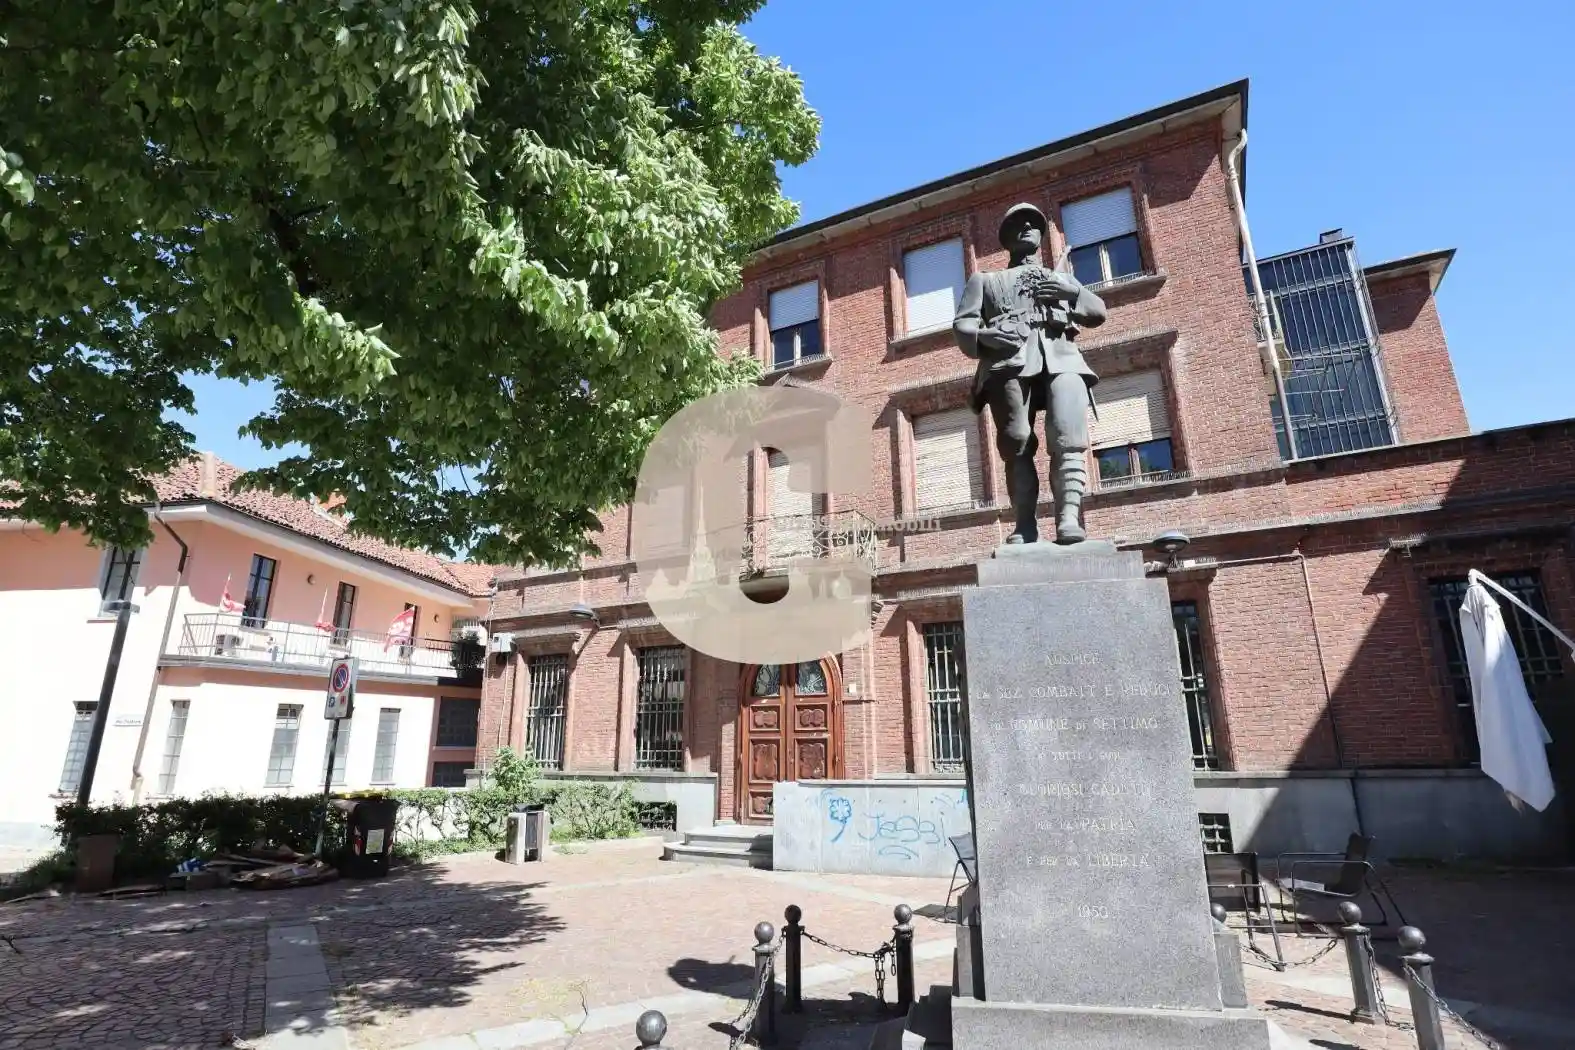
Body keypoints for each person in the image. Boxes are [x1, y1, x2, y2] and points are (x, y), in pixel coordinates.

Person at [952, 203, 1107, 544]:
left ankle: (1068, 520)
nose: (1025, 227)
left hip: (1062, 358)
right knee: (1017, 442)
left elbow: (1097, 312)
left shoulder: (1061, 277)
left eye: (1032, 223)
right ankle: (1025, 525)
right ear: (1005, 237)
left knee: (1068, 436)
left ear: (1041, 235)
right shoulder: (985, 281)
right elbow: (962, 325)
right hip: (1008, 362)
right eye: (1017, 224)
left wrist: (1071, 292)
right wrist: (985, 336)